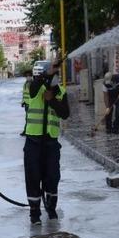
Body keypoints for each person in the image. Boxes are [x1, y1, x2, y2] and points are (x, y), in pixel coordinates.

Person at [23, 59, 70, 225]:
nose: (55, 78)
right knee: (33, 177)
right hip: (33, 141)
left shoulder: (60, 92)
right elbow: (34, 89)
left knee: (52, 177)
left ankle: (51, 208)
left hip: (51, 143)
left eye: (56, 75)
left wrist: (52, 100)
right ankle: (34, 213)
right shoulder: (34, 87)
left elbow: (65, 114)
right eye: (52, 75)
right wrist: (46, 74)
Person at [20, 69, 32, 136]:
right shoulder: (25, 83)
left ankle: (26, 131)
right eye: (26, 76)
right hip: (27, 104)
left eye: (29, 75)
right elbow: (24, 94)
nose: (28, 77)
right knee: (27, 118)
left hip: (31, 104)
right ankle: (27, 131)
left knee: (28, 118)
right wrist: (23, 102)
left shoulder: (32, 83)